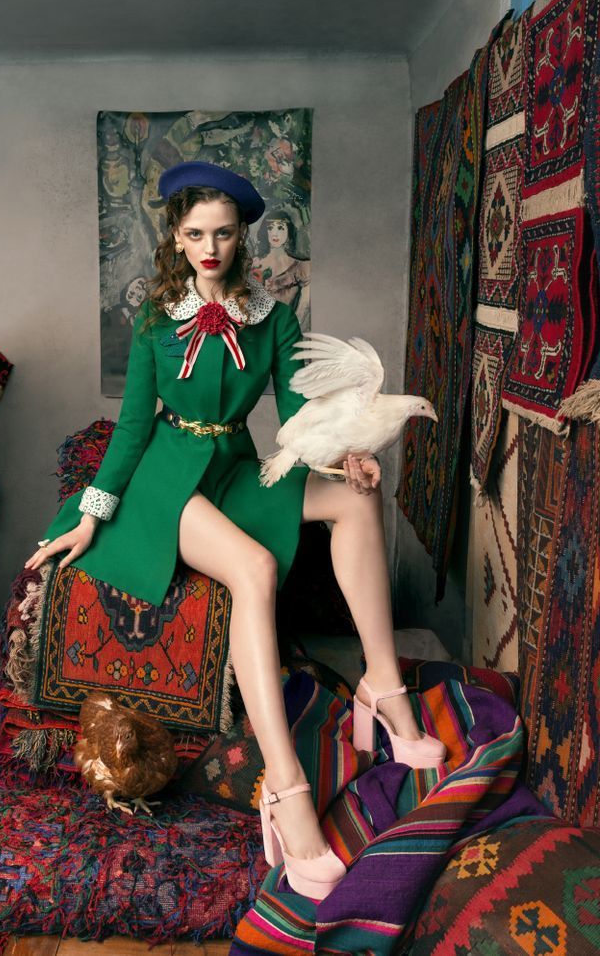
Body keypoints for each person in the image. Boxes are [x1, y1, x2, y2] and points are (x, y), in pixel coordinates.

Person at [25, 160, 445, 901]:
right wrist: (91, 514)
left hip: (233, 467)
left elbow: (295, 419)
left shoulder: (274, 318)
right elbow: (129, 433)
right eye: (195, 235)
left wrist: (348, 455)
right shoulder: (155, 320)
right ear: (177, 239)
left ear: (242, 235)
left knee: (354, 501)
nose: (210, 248)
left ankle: (382, 688)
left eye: (223, 233)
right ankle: (286, 793)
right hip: (166, 478)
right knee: (252, 568)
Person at [251, 209, 311, 332]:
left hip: (288, 332)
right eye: (270, 228)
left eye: (280, 228)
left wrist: (291, 329)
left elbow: (303, 307)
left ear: (289, 231)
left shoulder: (301, 267)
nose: (274, 233)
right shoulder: (253, 265)